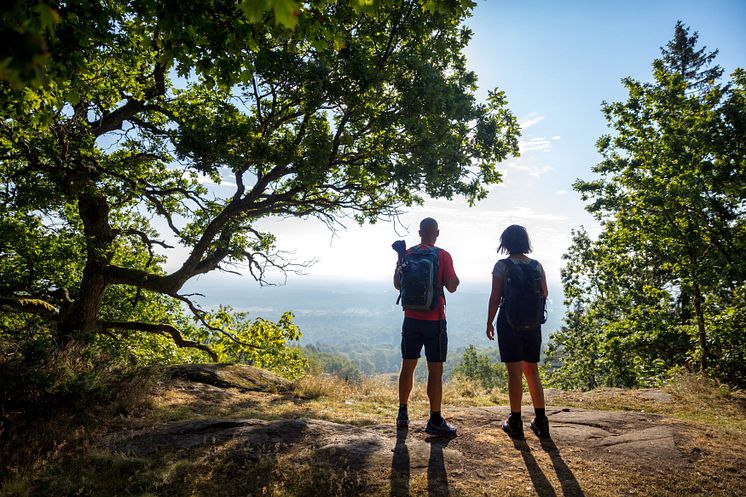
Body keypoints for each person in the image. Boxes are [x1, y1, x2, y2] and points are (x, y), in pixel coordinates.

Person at [394, 217, 460, 436]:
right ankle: (434, 419)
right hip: (435, 321)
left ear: (420, 232)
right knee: (435, 370)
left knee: (408, 366)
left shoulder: (408, 253)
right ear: (437, 233)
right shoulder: (442, 255)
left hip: (411, 318)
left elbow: (397, 284)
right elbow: (452, 286)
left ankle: (402, 413)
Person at [486, 224, 550, 439]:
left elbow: (495, 297)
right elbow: (545, 292)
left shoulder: (502, 266)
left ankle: (515, 420)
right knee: (532, 371)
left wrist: (489, 322)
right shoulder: (536, 265)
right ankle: (541, 420)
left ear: (505, 242)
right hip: (533, 324)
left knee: (514, 373)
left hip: (509, 323)